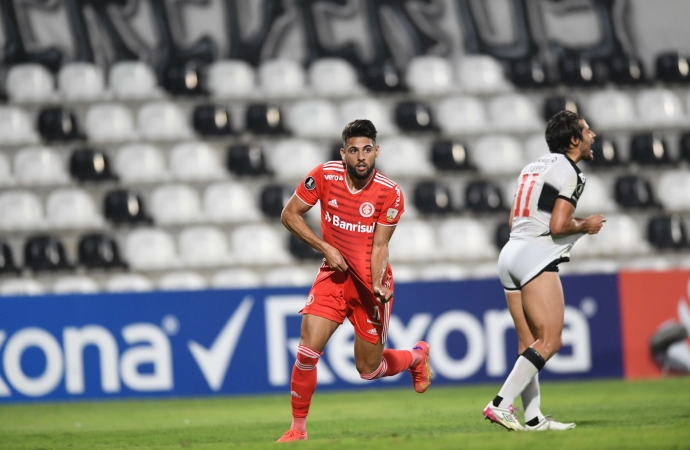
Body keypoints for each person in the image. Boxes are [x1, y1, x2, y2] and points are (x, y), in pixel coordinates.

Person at [276, 119, 432, 442]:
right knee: (306, 353)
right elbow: (289, 215)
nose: (361, 157)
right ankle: (298, 430)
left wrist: (376, 282)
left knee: (368, 370)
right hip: (333, 276)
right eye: (353, 151)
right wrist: (325, 247)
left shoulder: (390, 194)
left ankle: (417, 357)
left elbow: (380, 245)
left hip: (368, 285)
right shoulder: (324, 176)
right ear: (343, 153)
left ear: (377, 151)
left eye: (367, 150)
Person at [483, 110, 606, 431]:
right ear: (574, 140)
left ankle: (534, 418)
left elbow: (513, 220)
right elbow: (558, 225)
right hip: (534, 257)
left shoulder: (533, 166)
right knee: (550, 341)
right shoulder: (572, 173)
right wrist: (586, 225)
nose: (593, 135)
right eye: (587, 130)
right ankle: (500, 404)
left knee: (529, 344)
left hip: (510, 252)